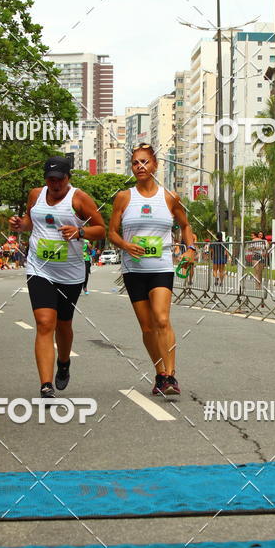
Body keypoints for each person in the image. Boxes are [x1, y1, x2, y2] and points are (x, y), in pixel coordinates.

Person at [10, 156, 105, 399]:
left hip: (70, 272)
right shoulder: (35, 195)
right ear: (45, 179)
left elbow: (101, 229)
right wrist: (21, 225)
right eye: (50, 179)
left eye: (59, 180)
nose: (55, 184)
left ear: (68, 178)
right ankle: (45, 384)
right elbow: (31, 221)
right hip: (39, 268)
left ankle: (64, 363)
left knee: (64, 324)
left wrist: (79, 231)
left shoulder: (79, 198)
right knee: (44, 323)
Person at [108, 143, 196, 397]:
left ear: (155, 165)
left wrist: (190, 248)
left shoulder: (169, 197)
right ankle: (159, 374)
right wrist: (125, 244)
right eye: (136, 163)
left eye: (145, 162)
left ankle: (171, 375)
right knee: (147, 328)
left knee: (161, 319)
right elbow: (111, 232)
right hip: (133, 270)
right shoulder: (124, 197)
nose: (140, 167)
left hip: (161, 267)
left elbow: (186, 225)